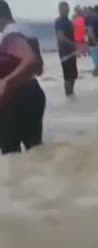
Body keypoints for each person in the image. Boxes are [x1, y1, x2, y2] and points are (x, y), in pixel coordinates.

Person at [0, 0, 46, 154]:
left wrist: (7, 80)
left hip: (15, 99)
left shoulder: (9, 36)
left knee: (11, 156)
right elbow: (39, 67)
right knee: (35, 153)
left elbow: (29, 58)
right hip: (33, 93)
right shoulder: (27, 31)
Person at [55, 2, 78, 98]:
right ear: (60, 10)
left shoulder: (69, 22)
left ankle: (71, 95)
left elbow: (73, 35)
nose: (66, 10)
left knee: (73, 75)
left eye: (67, 8)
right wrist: (73, 44)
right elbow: (60, 37)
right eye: (63, 8)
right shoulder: (59, 21)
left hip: (72, 51)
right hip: (64, 52)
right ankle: (68, 95)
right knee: (68, 76)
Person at [86, 5, 98, 77]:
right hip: (95, 45)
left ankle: (96, 80)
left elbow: (88, 32)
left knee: (97, 65)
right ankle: (95, 78)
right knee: (97, 66)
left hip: (93, 44)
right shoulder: (94, 19)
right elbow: (90, 33)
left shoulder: (91, 19)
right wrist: (97, 44)